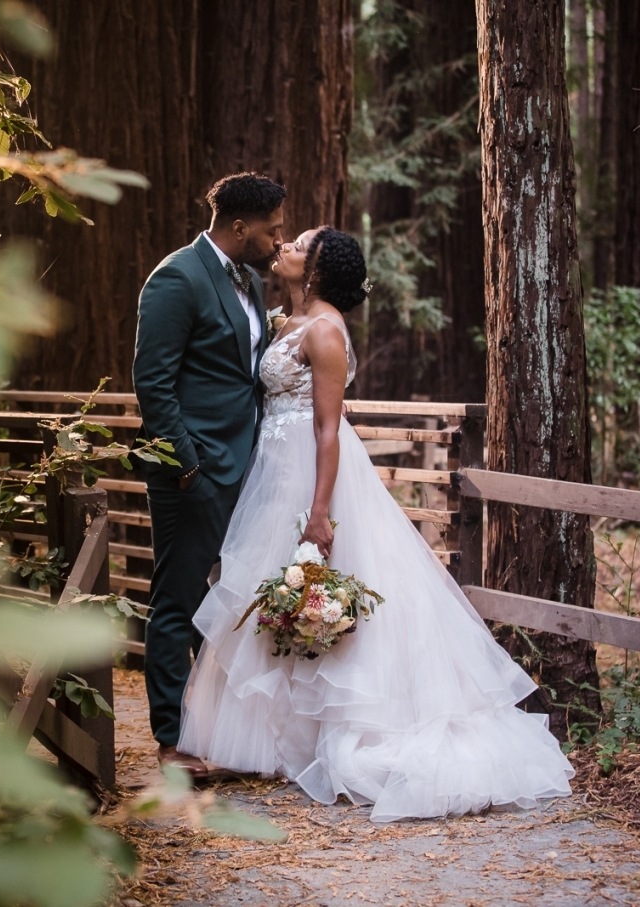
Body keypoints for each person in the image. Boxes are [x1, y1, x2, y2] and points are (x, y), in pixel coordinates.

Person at [178, 227, 575, 821]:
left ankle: (340, 734)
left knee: (317, 588)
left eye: (298, 243)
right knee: (274, 595)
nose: (284, 243)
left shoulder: (327, 330)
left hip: (310, 475)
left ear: (314, 269)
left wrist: (318, 512)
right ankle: (281, 740)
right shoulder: (286, 319)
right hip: (271, 472)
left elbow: (328, 429)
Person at [133, 172, 286, 778]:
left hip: (245, 468)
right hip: (191, 474)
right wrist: (188, 466)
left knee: (227, 603)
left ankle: (218, 729)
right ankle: (172, 741)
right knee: (177, 601)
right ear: (239, 226)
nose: (279, 240)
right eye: (272, 230)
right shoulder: (177, 277)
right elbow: (154, 383)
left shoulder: (248, 279)